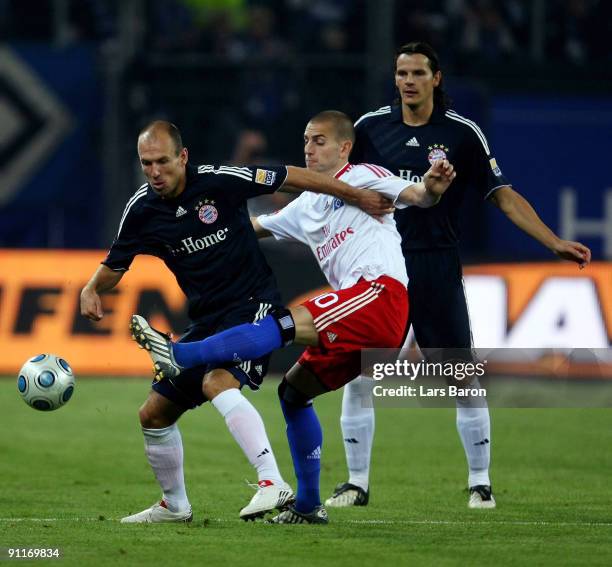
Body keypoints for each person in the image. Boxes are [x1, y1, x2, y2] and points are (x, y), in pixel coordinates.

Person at [130, 110, 457, 524]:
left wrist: (431, 186)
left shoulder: (362, 176)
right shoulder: (306, 207)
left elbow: (416, 195)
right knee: (293, 392)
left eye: (319, 140)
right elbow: (251, 227)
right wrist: (188, 229)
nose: (308, 147)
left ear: (344, 147)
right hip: (356, 314)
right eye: (305, 139)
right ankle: (307, 506)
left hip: (377, 294)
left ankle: (183, 355)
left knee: (282, 323)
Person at [79, 120, 395, 523]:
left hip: (252, 304)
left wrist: (356, 195)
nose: (155, 172)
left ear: (183, 156)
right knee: (153, 414)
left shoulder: (220, 180)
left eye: (162, 162)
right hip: (208, 317)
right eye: (146, 164)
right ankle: (174, 505)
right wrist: (91, 288)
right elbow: (116, 263)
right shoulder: (141, 210)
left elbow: (291, 175)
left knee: (217, 382)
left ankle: (271, 482)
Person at [325, 42, 592, 510]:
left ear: (436, 78)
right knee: (360, 373)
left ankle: (480, 481)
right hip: (379, 267)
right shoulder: (368, 129)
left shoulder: (462, 134)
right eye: (401, 73)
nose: (408, 81)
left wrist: (551, 241)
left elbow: (501, 194)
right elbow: (334, 181)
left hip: (435, 264)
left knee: (459, 374)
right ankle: (356, 483)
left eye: (417, 73)